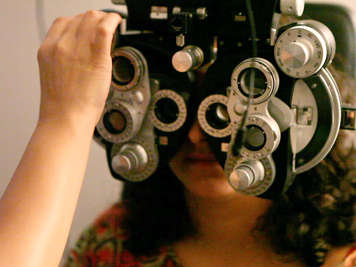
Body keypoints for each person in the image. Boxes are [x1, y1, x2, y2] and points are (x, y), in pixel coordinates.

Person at [0, 7, 355, 267]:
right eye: (175, 108)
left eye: (229, 109)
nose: (198, 135)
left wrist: (63, 120)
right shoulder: (112, 243)